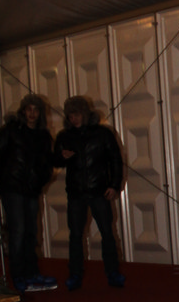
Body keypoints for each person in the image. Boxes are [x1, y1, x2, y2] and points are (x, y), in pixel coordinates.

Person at [53, 95, 125, 290]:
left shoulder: (103, 134)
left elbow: (115, 159)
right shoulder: (64, 136)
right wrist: (62, 156)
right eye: (70, 116)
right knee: (75, 235)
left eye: (76, 114)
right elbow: (55, 160)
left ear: (85, 114)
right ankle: (75, 274)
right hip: (76, 193)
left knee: (107, 232)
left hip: (99, 191)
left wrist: (114, 185)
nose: (73, 119)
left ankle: (113, 272)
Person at [0, 93, 57, 293]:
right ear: (23, 111)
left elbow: (48, 163)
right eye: (29, 109)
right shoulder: (10, 131)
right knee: (18, 231)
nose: (32, 114)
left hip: (32, 189)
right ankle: (18, 275)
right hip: (13, 188)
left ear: (40, 113)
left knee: (31, 232)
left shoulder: (43, 136)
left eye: (36, 110)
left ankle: (31, 272)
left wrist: (41, 180)